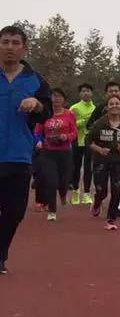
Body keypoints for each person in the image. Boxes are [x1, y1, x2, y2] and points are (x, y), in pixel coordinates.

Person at [0, 25, 51, 273]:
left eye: (15, 42)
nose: (10, 47)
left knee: (15, 211)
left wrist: (37, 104)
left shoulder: (35, 80)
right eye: (5, 42)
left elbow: (47, 111)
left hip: (19, 156)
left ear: (24, 48)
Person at [86, 95, 120, 231]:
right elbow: (88, 141)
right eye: (111, 103)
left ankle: (111, 219)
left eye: (117, 103)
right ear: (107, 107)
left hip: (117, 161)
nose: (114, 105)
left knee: (116, 189)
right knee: (101, 190)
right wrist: (99, 149)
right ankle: (97, 202)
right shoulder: (99, 124)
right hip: (100, 161)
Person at [35, 89, 78, 220]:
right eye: (54, 96)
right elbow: (37, 132)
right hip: (48, 152)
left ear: (64, 99)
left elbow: (74, 133)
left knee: (64, 181)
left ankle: (63, 194)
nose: (56, 99)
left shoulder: (69, 114)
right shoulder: (45, 114)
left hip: (64, 152)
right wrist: (39, 141)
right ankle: (52, 211)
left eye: (59, 96)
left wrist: (66, 137)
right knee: (51, 181)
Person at [70, 83, 97, 202]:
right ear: (80, 94)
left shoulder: (95, 108)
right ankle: (75, 192)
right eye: (83, 91)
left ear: (92, 93)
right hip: (77, 140)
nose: (86, 93)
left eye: (88, 91)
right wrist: (84, 121)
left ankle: (86, 193)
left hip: (90, 141)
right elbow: (70, 125)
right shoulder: (74, 108)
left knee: (88, 168)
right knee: (75, 167)